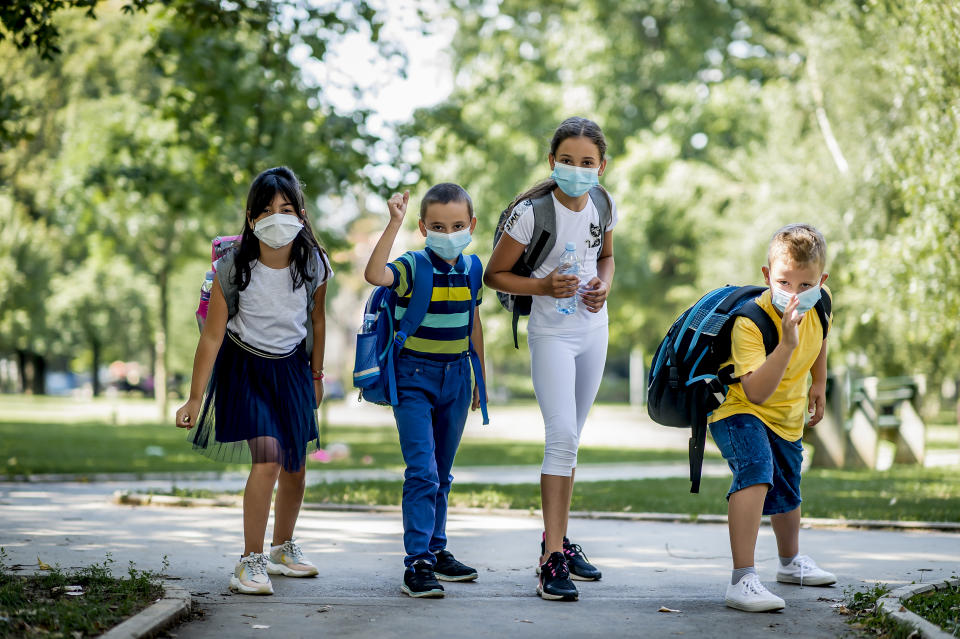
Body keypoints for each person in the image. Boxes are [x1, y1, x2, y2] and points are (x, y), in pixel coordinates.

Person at [175, 166, 332, 596]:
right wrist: (193, 399)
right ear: (250, 218)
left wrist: (317, 374)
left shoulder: (314, 263)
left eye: (285, 209)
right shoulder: (232, 268)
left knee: (296, 467)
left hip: (293, 370)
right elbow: (211, 339)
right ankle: (250, 560)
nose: (276, 218)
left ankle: (283, 549)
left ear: (300, 214)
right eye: (265, 210)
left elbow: (317, 320)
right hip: (244, 369)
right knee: (267, 460)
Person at [484, 116, 616, 601]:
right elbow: (494, 275)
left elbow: (605, 257)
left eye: (587, 162)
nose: (577, 170)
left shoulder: (603, 202)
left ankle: (556, 538)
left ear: (601, 166)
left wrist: (605, 286)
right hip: (552, 335)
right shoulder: (532, 213)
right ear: (552, 162)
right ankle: (550, 561)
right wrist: (541, 285)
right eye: (567, 160)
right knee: (560, 436)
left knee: (572, 441)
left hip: (593, 331)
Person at [363, 183, 487, 598]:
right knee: (423, 471)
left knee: (442, 472)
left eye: (456, 225)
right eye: (437, 225)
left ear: (471, 225)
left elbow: (473, 323)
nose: (447, 233)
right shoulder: (413, 266)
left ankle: (436, 549)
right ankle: (417, 561)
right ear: (422, 227)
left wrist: (478, 379)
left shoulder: (473, 269)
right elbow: (374, 274)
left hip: (457, 376)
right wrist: (392, 223)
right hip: (413, 378)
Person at [708, 223, 836, 612]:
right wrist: (786, 344)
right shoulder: (750, 321)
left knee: (788, 482)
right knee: (757, 469)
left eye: (805, 285)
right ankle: (742, 579)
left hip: (786, 412)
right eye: (784, 282)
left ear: (821, 281)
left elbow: (823, 337)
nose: (794, 295)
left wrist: (819, 382)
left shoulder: (823, 301)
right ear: (766, 276)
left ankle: (790, 562)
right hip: (739, 407)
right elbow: (755, 391)